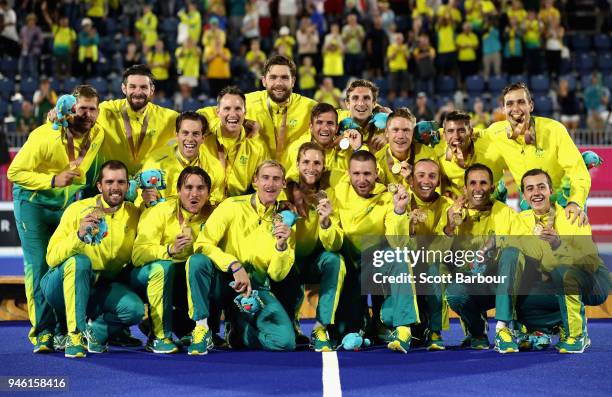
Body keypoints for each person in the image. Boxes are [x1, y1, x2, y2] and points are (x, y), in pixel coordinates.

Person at [8, 85, 105, 354]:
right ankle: (43, 332)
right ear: (69, 109)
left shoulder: (98, 134)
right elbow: (14, 172)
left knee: (61, 264)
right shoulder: (44, 135)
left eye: (92, 109)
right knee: (39, 266)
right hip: (33, 204)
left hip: (63, 207)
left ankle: (64, 328)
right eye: (81, 108)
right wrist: (52, 180)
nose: (87, 114)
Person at [443, 163, 554, 353]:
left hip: (506, 283)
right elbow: (439, 255)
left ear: (492, 188)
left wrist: (498, 242)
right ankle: (477, 332)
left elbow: (534, 249)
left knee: (512, 253)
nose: (478, 189)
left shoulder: (505, 213)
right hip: (476, 285)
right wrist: (450, 229)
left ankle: (504, 329)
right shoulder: (454, 214)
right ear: (465, 188)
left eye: (484, 183)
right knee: (454, 293)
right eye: (473, 183)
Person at [40, 160, 144, 358]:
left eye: (121, 182)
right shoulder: (77, 210)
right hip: (60, 287)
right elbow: (52, 257)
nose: (115, 188)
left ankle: (94, 332)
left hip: (99, 288)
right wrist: (78, 236)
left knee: (134, 309)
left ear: (128, 186)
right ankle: (73, 335)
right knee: (80, 262)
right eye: (109, 182)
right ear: (99, 186)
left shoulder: (134, 214)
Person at [194, 160, 297, 351]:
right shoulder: (231, 206)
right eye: (265, 178)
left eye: (276, 179)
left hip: (256, 290)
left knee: (285, 343)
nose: (270, 184)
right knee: (197, 262)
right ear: (255, 180)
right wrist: (233, 265)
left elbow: (277, 275)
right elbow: (201, 245)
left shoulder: (285, 220)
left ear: (283, 184)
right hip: (224, 282)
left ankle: (238, 332)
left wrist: (282, 246)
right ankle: (201, 328)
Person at [332, 150, 419, 353]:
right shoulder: (337, 190)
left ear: (377, 172)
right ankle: (370, 324)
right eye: (356, 174)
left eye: (367, 174)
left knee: (399, 256)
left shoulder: (389, 196)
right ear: (348, 173)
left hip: (375, 264)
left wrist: (399, 210)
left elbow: (397, 243)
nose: (361, 179)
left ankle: (403, 329)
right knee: (347, 331)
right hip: (348, 270)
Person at [519, 169, 611, 353]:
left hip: (593, 282)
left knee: (564, 271)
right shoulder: (521, 220)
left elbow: (590, 263)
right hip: (554, 282)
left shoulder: (572, 216)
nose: (536, 193)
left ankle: (578, 335)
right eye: (530, 188)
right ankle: (547, 327)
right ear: (524, 195)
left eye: (541, 187)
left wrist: (557, 245)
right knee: (518, 293)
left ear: (551, 191)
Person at [131, 166, 220, 355]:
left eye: (200, 188)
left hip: (188, 279)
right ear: (178, 191)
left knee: (206, 268)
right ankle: (158, 337)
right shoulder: (159, 212)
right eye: (188, 188)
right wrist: (169, 250)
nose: (194, 194)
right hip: (151, 275)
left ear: (208, 192)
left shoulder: (215, 215)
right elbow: (138, 254)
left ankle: (202, 330)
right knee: (163, 268)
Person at [485, 83, 590, 221]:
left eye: (521, 102)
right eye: (509, 104)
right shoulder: (494, 132)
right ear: (503, 109)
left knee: (574, 241)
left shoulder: (554, 130)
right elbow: (465, 135)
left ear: (531, 106)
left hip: (564, 203)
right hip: (530, 205)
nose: (515, 108)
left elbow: (578, 171)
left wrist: (575, 202)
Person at [276, 142, 346, 351]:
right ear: (297, 164)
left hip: (316, 260)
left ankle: (320, 327)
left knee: (335, 261)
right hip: (290, 261)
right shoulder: (284, 192)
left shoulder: (329, 195)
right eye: (306, 162)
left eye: (317, 163)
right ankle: (291, 322)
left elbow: (334, 245)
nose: (311, 167)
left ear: (323, 166)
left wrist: (326, 222)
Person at [200, 55, 317, 164]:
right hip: (255, 180)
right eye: (273, 77)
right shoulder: (247, 102)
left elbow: (334, 116)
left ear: (293, 81)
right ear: (264, 81)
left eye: (285, 78)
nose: (279, 83)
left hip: (295, 180)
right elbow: (209, 114)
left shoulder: (309, 107)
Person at [96, 64, 178, 176]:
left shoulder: (169, 118)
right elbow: (80, 114)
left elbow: (195, 125)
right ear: (124, 88)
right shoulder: (105, 111)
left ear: (152, 90)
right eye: (133, 87)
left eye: (143, 87)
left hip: (150, 186)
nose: (138, 92)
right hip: (113, 182)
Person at [407, 159, 453, 350]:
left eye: (432, 176)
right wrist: (409, 227)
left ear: (438, 181)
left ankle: (435, 330)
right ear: (410, 180)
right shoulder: (402, 200)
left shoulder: (447, 206)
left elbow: (443, 248)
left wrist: (450, 228)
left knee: (436, 269)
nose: (426, 180)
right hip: (406, 261)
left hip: (432, 261)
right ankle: (398, 326)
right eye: (421, 175)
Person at [198, 86, 267, 206]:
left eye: (238, 109)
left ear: (245, 112)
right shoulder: (203, 138)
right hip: (203, 206)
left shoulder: (256, 147)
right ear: (217, 112)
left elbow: (262, 185)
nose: (232, 114)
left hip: (237, 208)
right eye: (227, 108)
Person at [138, 111, 210, 207]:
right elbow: (140, 204)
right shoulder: (154, 162)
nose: (190, 139)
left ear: (203, 138)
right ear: (176, 135)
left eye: (195, 134)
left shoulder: (213, 166)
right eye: (185, 133)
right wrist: (147, 203)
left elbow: (214, 206)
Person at [284, 102, 360, 186]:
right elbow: (291, 183)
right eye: (319, 122)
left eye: (330, 123)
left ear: (337, 128)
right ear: (311, 127)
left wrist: (357, 147)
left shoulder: (347, 147)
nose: (325, 128)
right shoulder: (298, 150)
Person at [436, 110, 505, 199]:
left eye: (461, 131)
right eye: (450, 131)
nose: (456, 136)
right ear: (444, 135)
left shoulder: (491, 147)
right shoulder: (437, 151)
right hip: (459, 205)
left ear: (471, 132)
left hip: (494, 200)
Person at [375, 108, 436, 189]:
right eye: (395, 130)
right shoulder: (377, 161)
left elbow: (435, 196)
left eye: (406, 130)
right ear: (386, 133)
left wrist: (413, 182)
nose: (400, 136)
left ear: (413, 133)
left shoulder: (428, 155)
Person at [337, 79, 389, 152]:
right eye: (355, 98)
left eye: (366, 98)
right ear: (347, 103)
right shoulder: (333, 118)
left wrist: (390, 136)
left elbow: (408, 128)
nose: (361, 103)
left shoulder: (386, 126)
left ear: (374, 103)